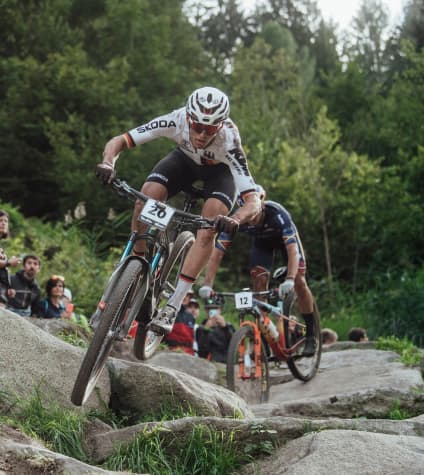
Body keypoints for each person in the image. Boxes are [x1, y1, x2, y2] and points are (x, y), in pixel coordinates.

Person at [95, 86, 260, 335]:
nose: (202, 135)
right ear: (188, 119)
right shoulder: (176, 119)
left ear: (221, 126)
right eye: (197, 127)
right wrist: (107, 163)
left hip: (220, 175)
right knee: (146, 197)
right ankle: (137, 263)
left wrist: (235, 219)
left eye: (210, 129)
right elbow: (120, 141)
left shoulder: (230, 141)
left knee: (209, 227)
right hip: (183, 162)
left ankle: (173, 305)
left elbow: (254, 200)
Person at [200, 184, 319, 355]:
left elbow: (293, 251)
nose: (251, 219)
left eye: (254, 213)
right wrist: (207, 284)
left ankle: (311, 334)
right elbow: (217, 252)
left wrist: (291, 278)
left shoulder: (277, 214)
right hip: (262, 244)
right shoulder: (238, 219)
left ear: (261, 204)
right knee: (258, 283)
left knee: (300, 281)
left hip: (287, 244)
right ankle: (267, 336)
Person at [195, 297, 234, 363]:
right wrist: (206, 330)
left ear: (220, 310)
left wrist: (225, 327)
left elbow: (233, 345)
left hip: (224, 362)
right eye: (209, 309)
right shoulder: (200, 328)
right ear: (206, 311)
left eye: (215, 308)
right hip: (206, 362)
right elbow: (201, 349)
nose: (212, 311)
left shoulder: (228, 327)